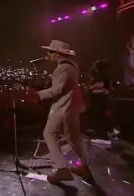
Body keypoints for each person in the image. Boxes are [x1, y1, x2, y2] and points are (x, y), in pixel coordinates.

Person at [27, 40, 90, 183]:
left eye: (50, 51)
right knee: (75, 139)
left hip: (63, 109)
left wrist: (37, 95)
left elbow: (57, 90)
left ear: (56, 54)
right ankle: (85, 166)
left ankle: (62, 169)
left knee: (49, 134)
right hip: (71, 108)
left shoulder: (63, 68)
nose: (47, 54)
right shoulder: (72, 67)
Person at [87, 60, 112, 140]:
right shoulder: (104, 76)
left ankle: (103, 137)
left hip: (98, 101)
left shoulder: (101, 77)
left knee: (98, 119)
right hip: (99, 101)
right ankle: (102, 136)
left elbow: (101, 89)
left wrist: (91, 89)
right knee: (98, 119)